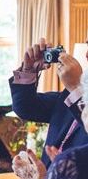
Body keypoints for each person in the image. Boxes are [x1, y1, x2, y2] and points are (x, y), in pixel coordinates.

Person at [9, 37, 88, 167]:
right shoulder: (69, 94)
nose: (86, 54)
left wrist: (76, 89)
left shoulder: (76, 90)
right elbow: (25, 108)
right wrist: (29, 70)